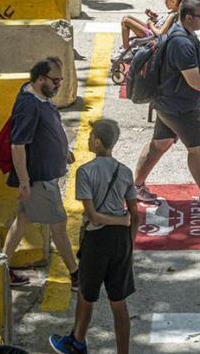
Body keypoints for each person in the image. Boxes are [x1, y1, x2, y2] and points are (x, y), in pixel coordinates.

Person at [133, 0, 200, 210]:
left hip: (166, 101)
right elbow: (195, 82)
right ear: (188, 17)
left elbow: (196, 64)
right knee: (198, 149)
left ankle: (137, 186)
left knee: (160, 144)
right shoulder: (183, 43)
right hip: (180, 107)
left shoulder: (182, 33)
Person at [50, 120, 137, 354]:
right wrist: (129, 244)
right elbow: (134, 216)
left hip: (97, 241)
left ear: (97, 142)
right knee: (119, 302)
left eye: (90, 137)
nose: (88, 140)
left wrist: (116, 220)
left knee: (87, 295)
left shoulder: (85, 172)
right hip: (121, 241)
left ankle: (77, 341)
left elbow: (93, 216)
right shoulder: (126, 172)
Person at [0, 57, 79, 289]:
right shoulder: (28, 105)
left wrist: (64, 150)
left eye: (60, 80)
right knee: (59, 226)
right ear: (40, 78)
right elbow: (17, 145)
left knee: (22, 220)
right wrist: (24, 181)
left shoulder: (40, 96)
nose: (58, 85)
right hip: (39, 179)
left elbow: (49, 129)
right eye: (55, 80)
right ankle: (76, 275)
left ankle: (2, 268)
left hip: (43, 175)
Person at [116, 0, 182, 56]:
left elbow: (160, 33)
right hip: (152, 29)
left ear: (173, 1)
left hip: (151, 36)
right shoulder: (174, 12)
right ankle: (125, 46)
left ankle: (126, 50)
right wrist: (154, 18)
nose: (165, 3)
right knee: (127, 17)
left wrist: (151, 25)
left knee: (126, 21)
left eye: (166, 1)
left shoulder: (172, 16)